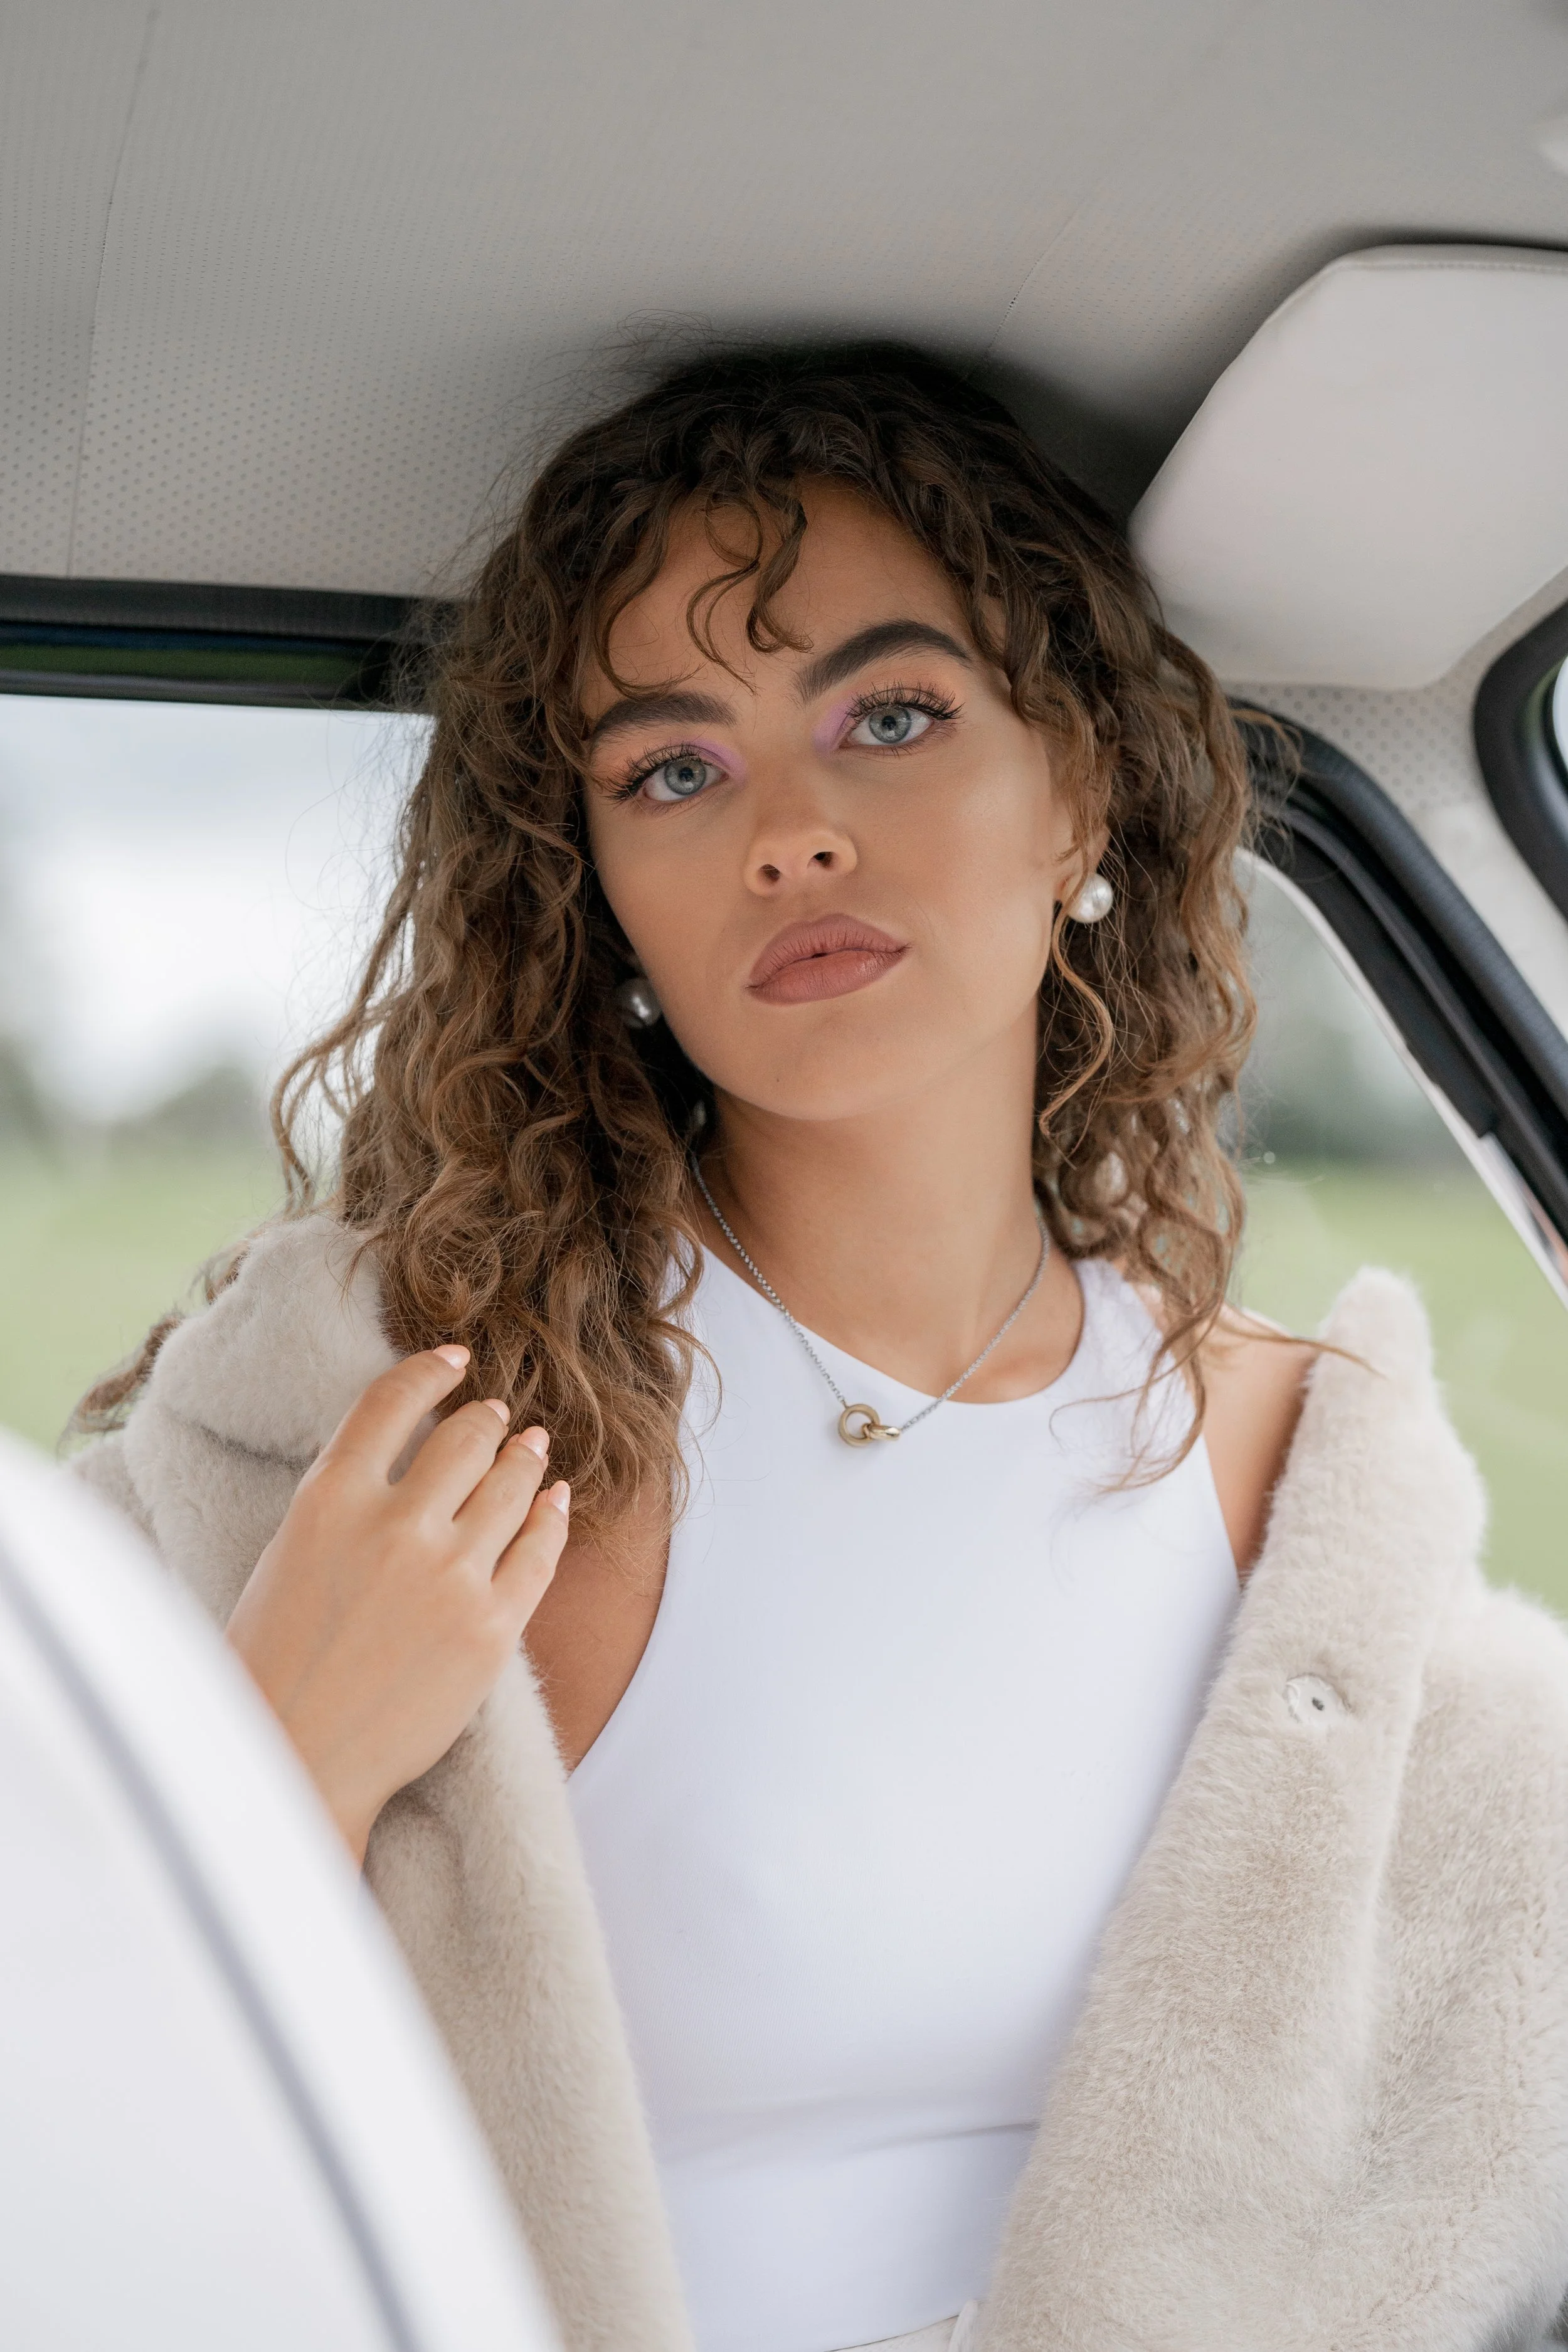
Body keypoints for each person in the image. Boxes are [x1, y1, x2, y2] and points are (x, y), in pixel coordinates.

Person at [73, 348, 1568, 2352]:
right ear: (596, 888)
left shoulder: (1306, 1476)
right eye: (672, 767)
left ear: (1081, 788)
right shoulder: (413, 1415)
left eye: (889, 714)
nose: (785, 832)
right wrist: (275, 1753)